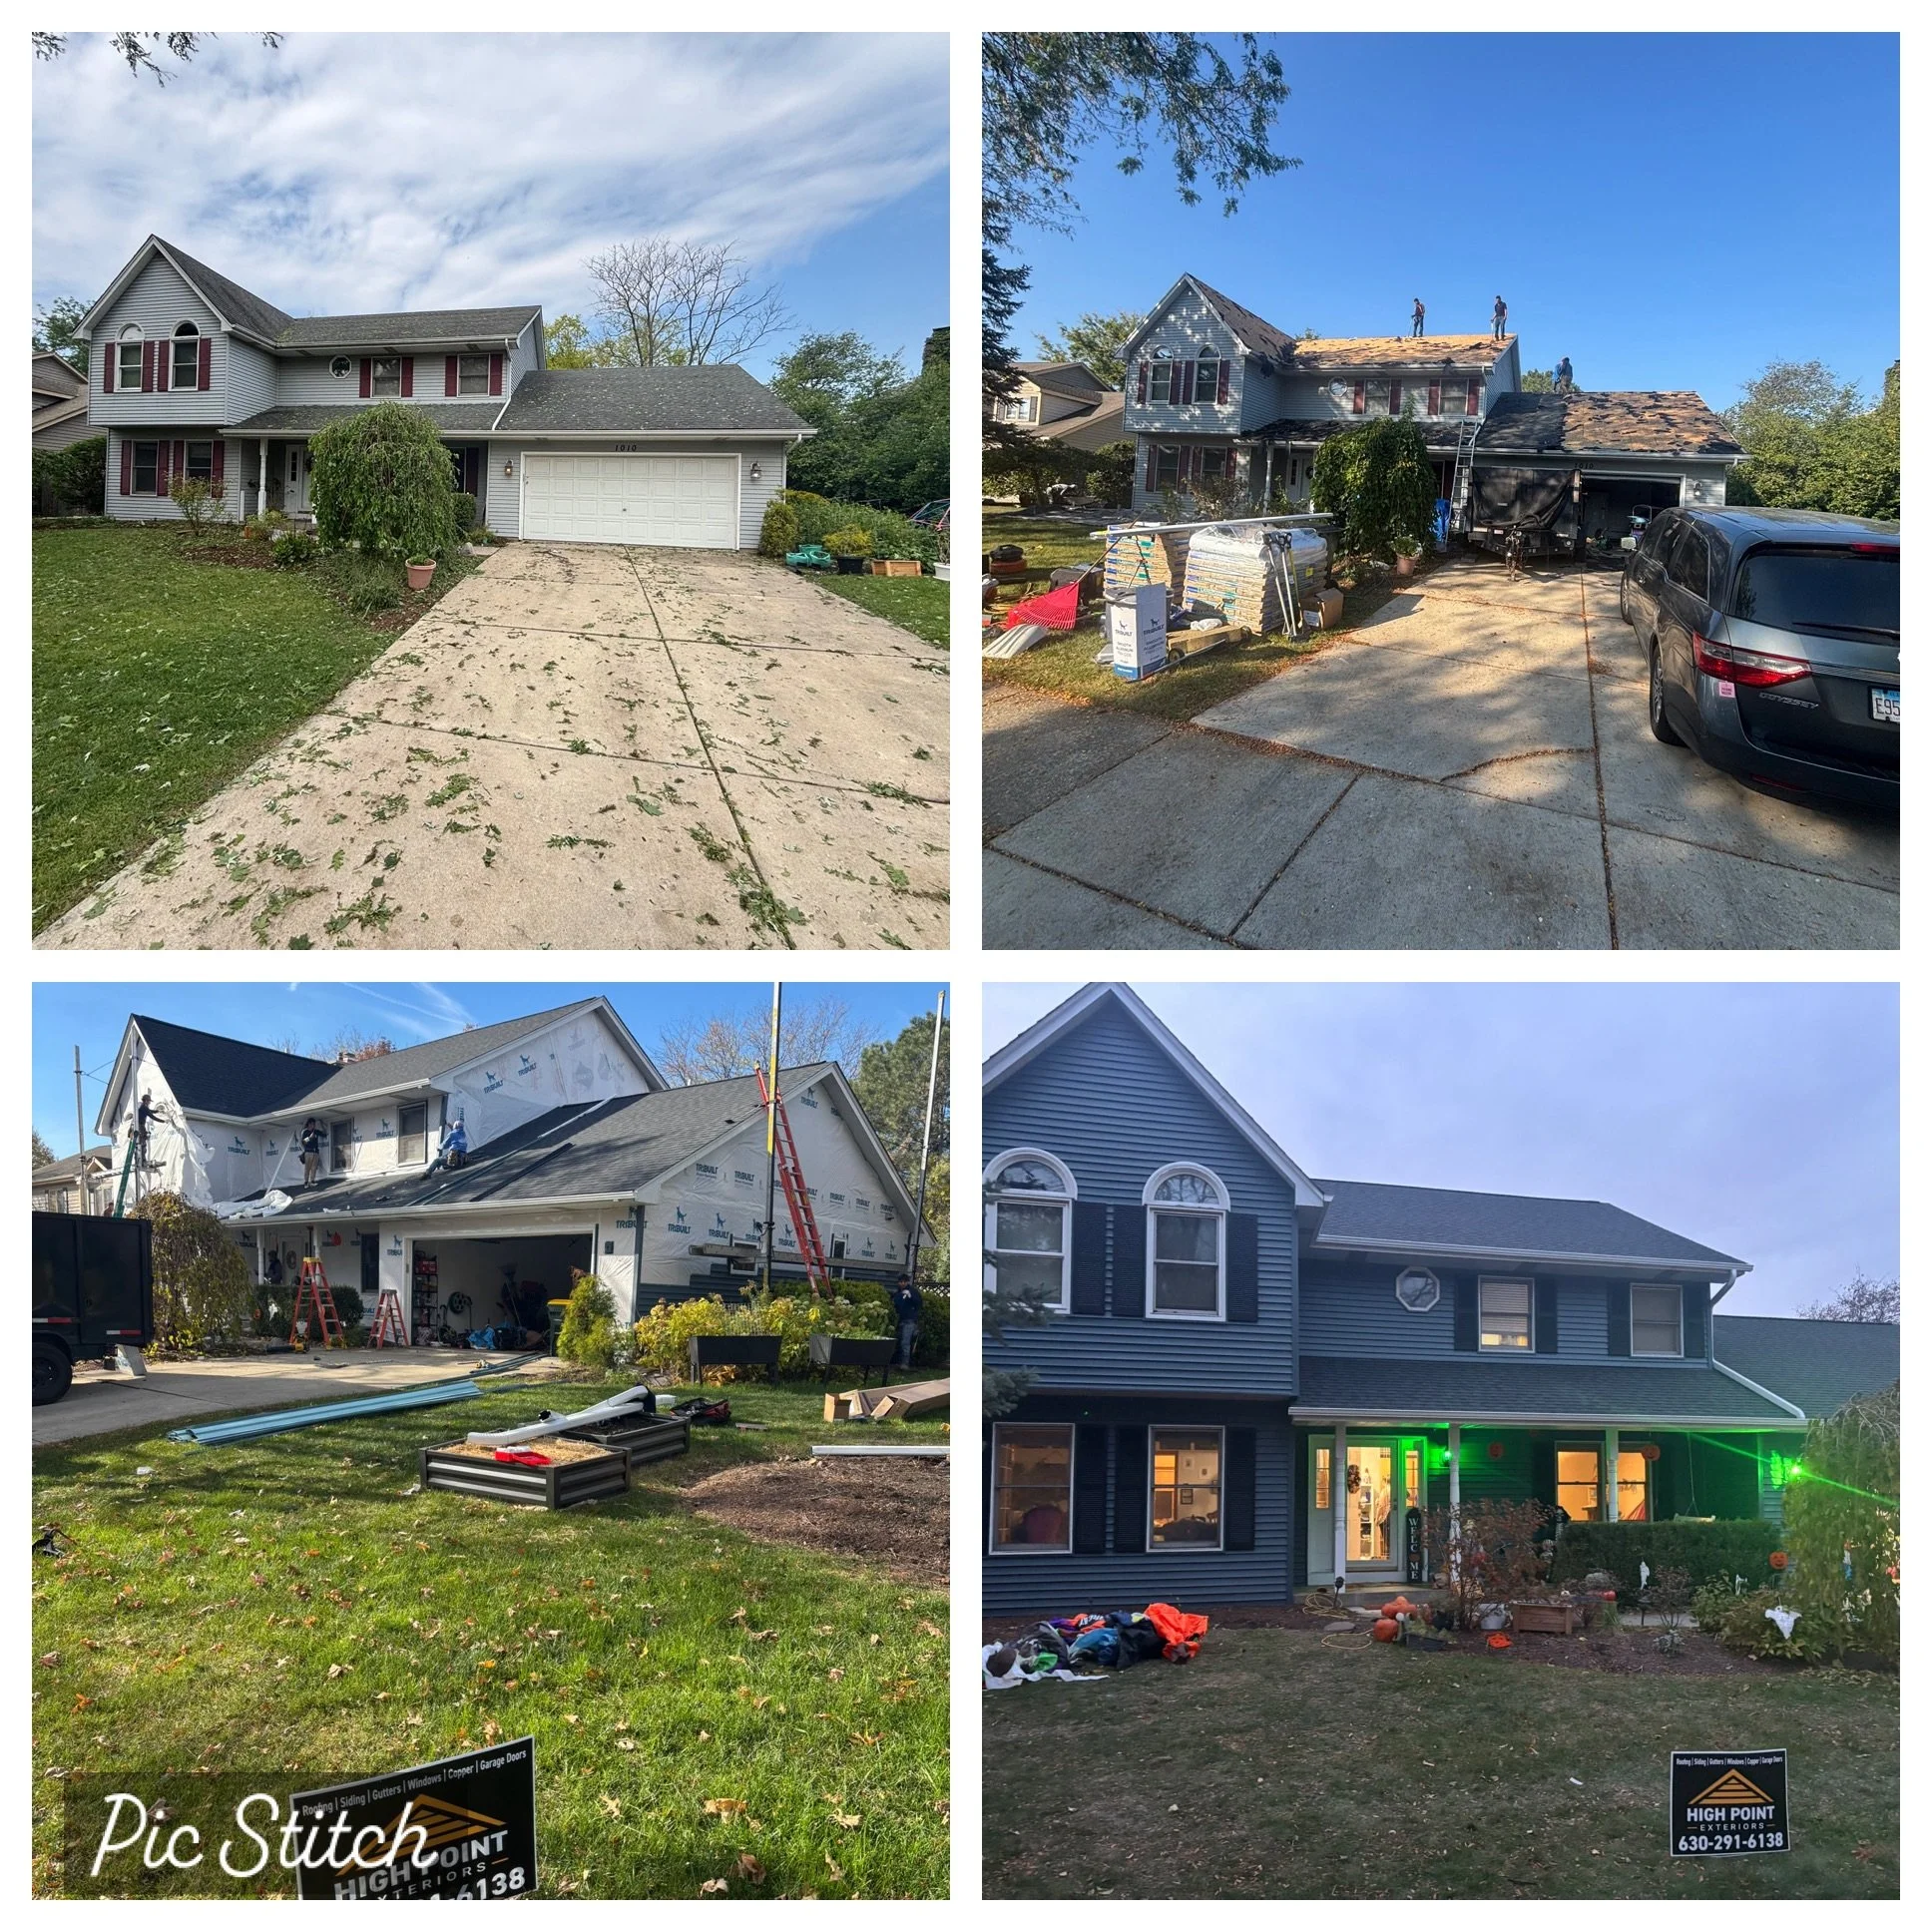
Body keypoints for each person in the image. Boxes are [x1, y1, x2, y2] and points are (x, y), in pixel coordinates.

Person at [889, 1271, 923, 1370]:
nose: (902, 1284)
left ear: (907, 1282)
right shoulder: (898, 1292)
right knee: (899, 1342)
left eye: (904, 1282)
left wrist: (910, 1296)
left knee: (905, 1342)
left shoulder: (912, 1291)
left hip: (909, 1321)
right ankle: (898, 1362)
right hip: (899, 1320)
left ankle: (905, 1364)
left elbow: (919, 1304)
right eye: (900, 1282)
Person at [299, 1117, 322, 1187]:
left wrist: (323, 1125)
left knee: (314, 1167)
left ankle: (312, 1181)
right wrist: (309, 1138)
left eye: (314, 1124)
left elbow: (324, 1134)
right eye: (312, 1124)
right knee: (307, 1168)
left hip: (315, 1152)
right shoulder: (305, 1131)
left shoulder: (315, 1131)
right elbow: (303, 1142)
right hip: (308, 1152)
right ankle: (306, 1182)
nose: (314, 1126)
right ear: (309, 1124)